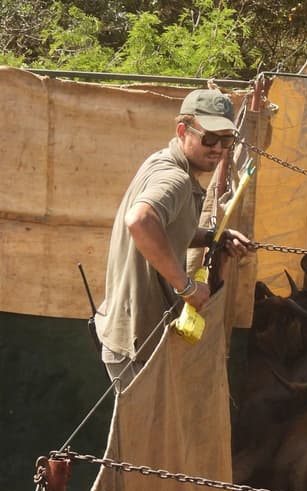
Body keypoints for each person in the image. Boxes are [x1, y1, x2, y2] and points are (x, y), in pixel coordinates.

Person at [95, 89, 253, 389]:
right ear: (183, 130)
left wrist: (211, 237)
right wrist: (188, 286)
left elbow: (167, 230)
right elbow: (140, 222)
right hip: (138, 345)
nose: (218, 148)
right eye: (209, 138)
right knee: (144, 436)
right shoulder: (175, 179)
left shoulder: (163, 161)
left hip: (131, 335)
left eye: (226, 140)